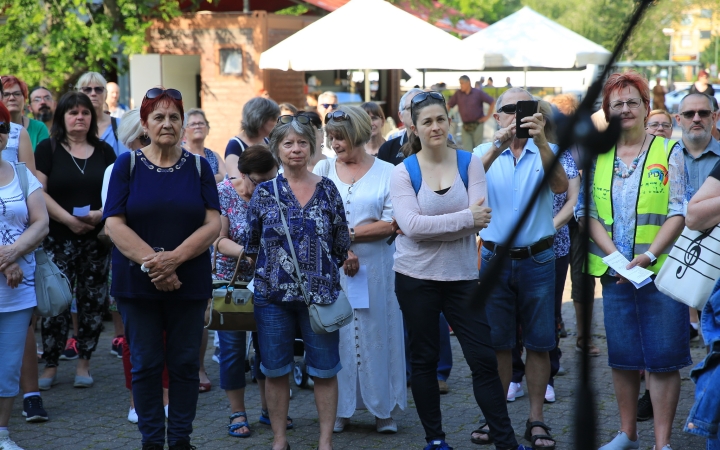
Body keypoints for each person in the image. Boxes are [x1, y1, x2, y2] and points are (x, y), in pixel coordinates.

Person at [391, 90, 523, 450]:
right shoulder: (403, 172)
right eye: (427, 121)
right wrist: (463, 217)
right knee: (424, 360)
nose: (435, 127)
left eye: (440, 119)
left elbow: (479, 223)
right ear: (413, 127)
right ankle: (435, 440)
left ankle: (506, 442)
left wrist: (440, 222)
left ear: (449, 121)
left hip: (463, 277)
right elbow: (412, 226)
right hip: (415, 277)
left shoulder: (470, 163)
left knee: (482, 359)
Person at [576, 72, 690, 450]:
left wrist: (648, 255)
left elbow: (677, 211)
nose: (624, 109)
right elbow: (585, 211)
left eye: (632, 102)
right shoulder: (597, 154)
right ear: (607, 112)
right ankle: (627, 434)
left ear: (645, 107)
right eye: (616, 104)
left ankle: (661, 442)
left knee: (662, 357)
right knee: (623, 356)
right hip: (615, 274)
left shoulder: (668, 151)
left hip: (659, 270)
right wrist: (616, 259)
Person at [104, 87, 221, 450]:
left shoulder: (200, 166)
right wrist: (156, 263)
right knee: (146, 364)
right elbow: (114, 223)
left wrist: (176, 259)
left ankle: (181, 441)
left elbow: (213, 222)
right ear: (144, 124)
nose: (167, 123)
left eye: (174, 117)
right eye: (159, 117)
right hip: (138, 285)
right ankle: (153, 441)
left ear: (183, 123)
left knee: (185, 364)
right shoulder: (128, 165)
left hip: (189, 281)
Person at [244, 114, 351, 450]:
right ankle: (279, 439)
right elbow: (252, 244)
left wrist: (318, 272)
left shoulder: (328, 189)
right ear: (276, 148)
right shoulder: (264, 193)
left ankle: (324, 441)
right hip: (272, 297)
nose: (295, 149)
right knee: (275, 370)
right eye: (288, 143)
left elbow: (340, 242)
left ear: (312, 146)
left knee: (324, 369)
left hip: (320, 298)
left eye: (302, 142)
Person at [474, 87, 569, 450]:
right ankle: (496, 419)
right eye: (508, 109)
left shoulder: (546, 150)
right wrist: (497, 146)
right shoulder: (485, 152)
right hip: (495, 257)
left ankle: (536, 419)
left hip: (538, 257)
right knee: (498, 344)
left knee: (540, 343)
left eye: (523, 108)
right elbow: (466, 182)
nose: (515, 114)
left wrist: (542, 140)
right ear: (496, 116)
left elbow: (560, 186)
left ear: (538, 114)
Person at [313, 106, 405, 434]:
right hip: (333, 268)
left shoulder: (388, 171)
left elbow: (393, 222)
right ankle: (341, 409)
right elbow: (315, 216)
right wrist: (342, 246)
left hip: (377, 267)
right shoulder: (323, 168)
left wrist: (348, 235)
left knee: (377, 334)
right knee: (337, 336)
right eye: (331, 137)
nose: (335, 144)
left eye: (341, 138)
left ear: (360, 135)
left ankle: (384, 410)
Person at [34, 91, 117, 391]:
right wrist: (68, 219)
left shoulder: (105, 151)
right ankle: (52, 363)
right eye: (73, 112)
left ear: (92, 118)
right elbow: (39, 192)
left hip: (96, 240)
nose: (79, 117)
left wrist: (99, 214)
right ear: (62, 117)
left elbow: (116, 193)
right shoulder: (48, 148)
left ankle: (84, 361)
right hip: (58, 238)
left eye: (84, 112)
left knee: (92, 302)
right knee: (56, 300)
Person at [507, 101, 579, 404]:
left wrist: (548, 227)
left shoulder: (561, 153)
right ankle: (513, 374)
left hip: (552, 246)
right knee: (510, 314)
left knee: (546, 312)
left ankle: (548, 374)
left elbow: (571, 199)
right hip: (510, 246)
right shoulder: (506, 152)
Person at [213, 145, 283, 438]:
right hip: (231, 286)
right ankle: (236, 412)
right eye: (259, 181)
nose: (265, 186)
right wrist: (248, 253)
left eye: (271, 179)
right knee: (231, 351)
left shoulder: (276, 193)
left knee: (269, 350)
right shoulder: (223, 194)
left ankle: (270, 411)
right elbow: (218, 240)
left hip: (269, 285)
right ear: (242, 174)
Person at [111, 109, 170, 423]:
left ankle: (166, 395)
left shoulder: (176, 167)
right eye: (141, 138)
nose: (147, 143)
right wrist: (154, 262)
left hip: (170, 265)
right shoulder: (119, 168)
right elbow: (113, 225)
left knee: (166, 338)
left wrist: (167, 264)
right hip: (133, 268)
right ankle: (136, 400)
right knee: (135, 342)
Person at [0, 101, 50, 450]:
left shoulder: (22, 174)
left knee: (8, 368)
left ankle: (2, 433)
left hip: (18, 291)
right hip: (11, 273)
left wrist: (15, 253)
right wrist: (6, 262)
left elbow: (41, 222)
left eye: (1, 128)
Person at [224, 97, 280, 180]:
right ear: (260, 120)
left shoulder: (269, 141)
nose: (277, 123)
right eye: (274, 119)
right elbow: (237, 181)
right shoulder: (235, 146)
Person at [75, 73, 130, 156]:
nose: (93, 93)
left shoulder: (120, 125)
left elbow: (126, 162)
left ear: (106, 94)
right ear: (79, 94)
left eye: (98, 89)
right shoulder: (72, 126)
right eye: (87, 89)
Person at [448, 75, 496, 151]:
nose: (461, 86)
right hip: (465, 126)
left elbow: (492, 102)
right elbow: (449, 105)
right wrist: (445, 117)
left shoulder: (478, 93)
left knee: (478, 149)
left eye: (462, 83)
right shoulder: (458, 94)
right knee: (467, 150)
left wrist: (487, 117)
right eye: (460, 83)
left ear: (468, 83)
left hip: (478, 124)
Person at [1, 75, 49, 150]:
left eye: (17, 94)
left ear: (25, 99)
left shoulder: (39, 128)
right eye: (6, 94)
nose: (12, 98)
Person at [377, 89, 423, 166]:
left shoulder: (440, 145)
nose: (416, 111)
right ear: (401, 116)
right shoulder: (388, 149)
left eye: (421, 106)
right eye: (410, 108)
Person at [184, 108, 226, 183]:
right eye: (193, 124)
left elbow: (227, 178)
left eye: (201, 123)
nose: (197, 126)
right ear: (184, 131)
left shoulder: (214, 156)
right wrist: (217, 177)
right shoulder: (180, 153)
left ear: (208, 129)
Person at [317, 91, 340, 158]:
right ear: (318, 107)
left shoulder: (343, 129)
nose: (330, 108)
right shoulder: (313, 128)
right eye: (326, 105)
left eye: (334, 106)